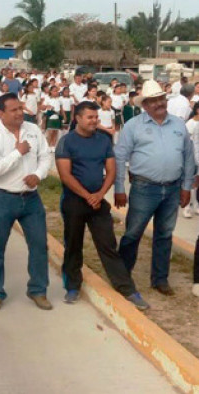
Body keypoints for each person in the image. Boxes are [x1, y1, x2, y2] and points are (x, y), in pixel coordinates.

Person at [54, 101, 149, 310]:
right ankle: (72, 286)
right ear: (78, 118)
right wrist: (87, 195)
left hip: (98, 202)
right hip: (74, 202)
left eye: (96, 117)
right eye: (90, 117)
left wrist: (99, 194)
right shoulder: (66, 142)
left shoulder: (104, 140)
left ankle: (127, 289)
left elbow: (112, 170)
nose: (94, 121)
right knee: (73, 245)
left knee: (108, 246)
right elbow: (65, 175)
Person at [114, 80, 196, 296]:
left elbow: (188, 157)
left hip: (172, 189)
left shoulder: (178, 124)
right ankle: (122, 277)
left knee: (165, 235)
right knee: (133, 233)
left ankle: (160, 279)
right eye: (153, 101)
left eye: (161, 99)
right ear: (145, 105)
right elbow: (120, 157)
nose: (159, 103)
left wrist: (186, 186)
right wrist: (119, 188)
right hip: (144, 188)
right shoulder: (133, 126)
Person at [0, 92, 52, 311]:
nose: (19, 113)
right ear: (1, 113)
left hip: (30, 198)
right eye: (13, 110)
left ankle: (38, 290)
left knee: (39, 245)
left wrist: (38, 175)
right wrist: (17, 153)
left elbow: (45, 156)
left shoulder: (33, 130)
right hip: (1, 198)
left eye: (20, 108)